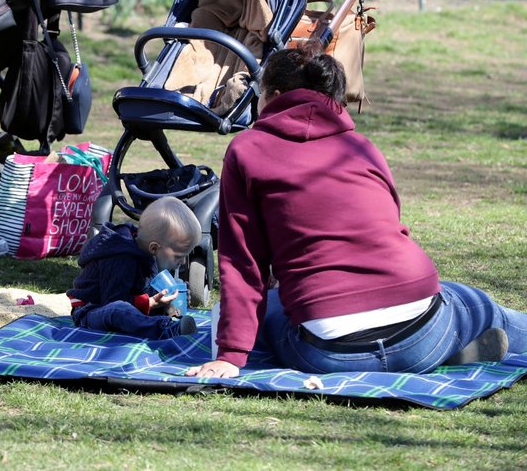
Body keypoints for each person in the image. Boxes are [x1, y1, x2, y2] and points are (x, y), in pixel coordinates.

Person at [186, 45, 526, 380]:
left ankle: (446, 351)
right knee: (474, 304)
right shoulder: (361, 147)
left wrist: (231, 354)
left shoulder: (246, 150)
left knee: (269, 311)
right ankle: (450, 350)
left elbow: (244, 263)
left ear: (273, 96)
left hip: (326, 352)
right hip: (423, 333)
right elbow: (389, 221)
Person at [67, 196, 202, 340]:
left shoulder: (147, 251)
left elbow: (142, 288)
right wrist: (149, 303)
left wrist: (167, 299)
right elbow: (113, 300)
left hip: (124, 303)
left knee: (130, 310)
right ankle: (165, 330)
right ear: (154, 247)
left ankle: (167, 322)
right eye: (178, 256)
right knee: (118, 311)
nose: (182, 262)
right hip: (92, 309)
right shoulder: (120, 257)